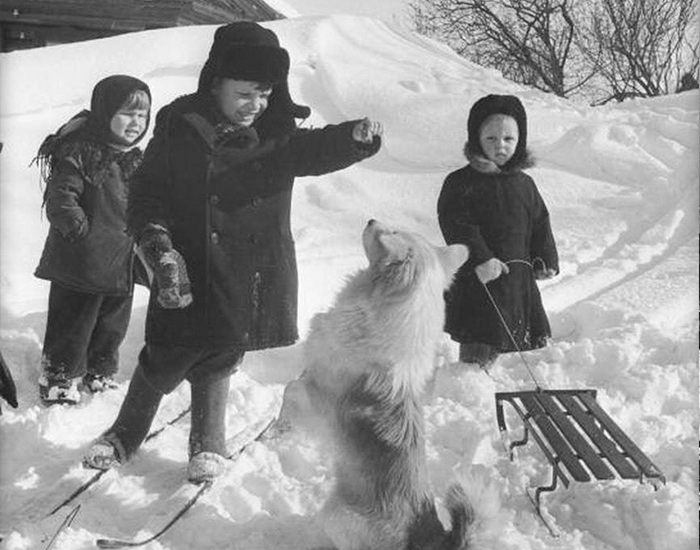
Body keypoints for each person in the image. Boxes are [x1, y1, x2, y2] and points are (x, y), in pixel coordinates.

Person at [83, 22, 383, 483]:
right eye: (245, 93)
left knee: (223, 351)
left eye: (264, 94)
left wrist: (354, 139)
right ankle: (124, 434)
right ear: (216, 82)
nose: (256, 105)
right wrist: (155, 239)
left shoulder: (277, 134)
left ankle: (208, 443)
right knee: (166, 352)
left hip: (246, 272)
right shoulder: (179, 124)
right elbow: (146, 190)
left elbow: (315, 149)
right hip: (184, 265)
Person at [34, 75, 151, 405]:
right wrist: (78, 231)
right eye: (128, 113)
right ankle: (59, 376)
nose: (136, 122)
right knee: (74, 323)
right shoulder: (81, 152)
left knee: (111, 324)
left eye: (142, 115)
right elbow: (62, 195)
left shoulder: (133, 159)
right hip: (80, 263)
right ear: (105, 111)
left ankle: (99, 371)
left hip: (120, 262)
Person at [437, 94, 558, 368]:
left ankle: (518, 395)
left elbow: (539, 222)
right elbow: (457, 224)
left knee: (524, 354)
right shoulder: (461, 183)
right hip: (482, 282)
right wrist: (480, 259)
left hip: (519, 283)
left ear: (520, 140)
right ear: (476, 138)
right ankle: (473, 393)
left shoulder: (525, 184)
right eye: (491, 139)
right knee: (482, 342)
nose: (500, 146)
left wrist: (544, 258)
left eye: (508, 139)